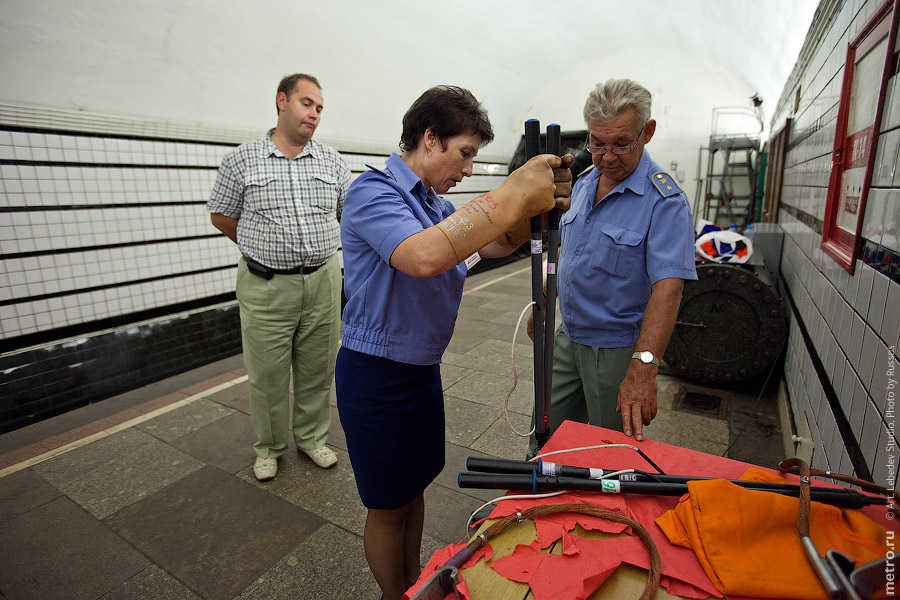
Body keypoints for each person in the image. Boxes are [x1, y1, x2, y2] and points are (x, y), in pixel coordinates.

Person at [336, 85, 573, 600]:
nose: (467, 169)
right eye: (464, 153)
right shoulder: (371, 192)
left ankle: (411, 582)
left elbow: (481, 242)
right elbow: (424, 257)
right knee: (386, 502)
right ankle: (393, 593)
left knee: (413, 486)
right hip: (376, 374)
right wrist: (511, 192)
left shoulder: (432, 203)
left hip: (419, 369)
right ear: (429, 138)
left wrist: (524, 217)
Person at [529, 78, 697, 455]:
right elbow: (567, 251)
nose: (606, 157)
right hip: (566, 338)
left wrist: (644, 368)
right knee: (542, 441)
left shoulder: (664, 201)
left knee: (608, 457)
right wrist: (543, 298)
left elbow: (669, 287)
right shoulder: (585, 183)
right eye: (597, 143)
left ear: (647, 132)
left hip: (617, 352)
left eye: (621, 143)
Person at [208, 73, 350, 481]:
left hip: (323, 280)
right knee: (268, 373)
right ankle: (269, 447)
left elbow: (348, 215)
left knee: (318, 367)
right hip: (266, 284)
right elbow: (221, 214)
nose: (314, 114)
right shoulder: (242, 159)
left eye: (320, 108)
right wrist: (260, 246)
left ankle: (311, 439)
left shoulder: (331, 161)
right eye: (307, 103)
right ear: (282, 101)